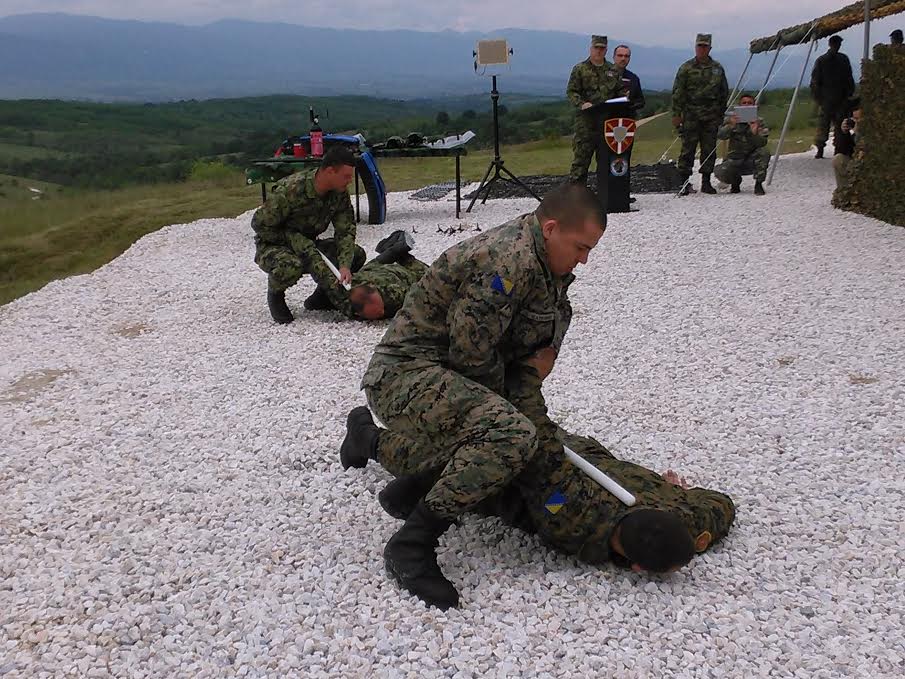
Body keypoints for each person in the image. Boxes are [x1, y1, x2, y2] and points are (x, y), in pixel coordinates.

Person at [342, 183, 606, 610]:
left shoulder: (545, 266)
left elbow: (524, 366)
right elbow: (475, 363)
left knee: (518, 434)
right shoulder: (506, 263)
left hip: (447, 375)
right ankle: (411, 546)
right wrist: (525, 435)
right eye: (580, 247)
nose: (584, 260)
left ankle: (412, 486)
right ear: (552, 228)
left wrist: (539, 434)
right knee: (508, 436)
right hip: (403, 374)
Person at [251, 146, 366, 324]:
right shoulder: (291, 190)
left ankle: (321, 297)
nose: (349, 181)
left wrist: (344, 266)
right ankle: (275, 294)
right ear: (329, 171)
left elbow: (345, 230)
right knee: (290, 266)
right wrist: (293, 240)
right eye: (346, 176)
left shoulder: (339, 194)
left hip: (310, 246)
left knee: (356, 254)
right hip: (275, 245)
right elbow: (260, 225)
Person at [317, 230, 430, 321]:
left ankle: (396, 250)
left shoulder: (396, 293)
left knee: (429, 275)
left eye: (380, 309)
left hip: (395, 274)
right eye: (379, 312)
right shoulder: (348, 300)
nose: (382, 312)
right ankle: (394, 250)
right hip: (372, 273)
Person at [671, 33, 730, 196]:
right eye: (699, 46)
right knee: (687, 150)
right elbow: (677, 93)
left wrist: (720, 114)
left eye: (705, 46)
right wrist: (677, 115)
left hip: (711, 116)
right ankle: (683, 182)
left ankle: (706, 182)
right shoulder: (686, 68)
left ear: (710, 48)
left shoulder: (717, 69)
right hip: (691, 115)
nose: (702, 49)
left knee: (709, 149)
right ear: (695, 47)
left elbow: (723, 93)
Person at [566, 35, 624, 185]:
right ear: (591, 48)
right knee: (581, 159)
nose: (599, 51)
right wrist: (581, 103)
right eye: (596, 48)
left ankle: (606, 196)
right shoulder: (580, 69)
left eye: (602, 48)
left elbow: (620, 92)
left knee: (606, 160)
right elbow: (572, 92)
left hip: (607, 122)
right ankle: (576, 194)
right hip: (586, 121)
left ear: (606, 50)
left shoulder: (613, 70)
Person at [714, 93, 771, 195]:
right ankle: (735, 182)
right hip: (735, 158)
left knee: (764, 152)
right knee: (720, 171)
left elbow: (763, 142)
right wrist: (731, 126)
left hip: (751, 159)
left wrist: (753, 132)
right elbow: (720, 136)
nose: (746, 105)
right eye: (744, 103)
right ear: (739, 106)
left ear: (754, 106)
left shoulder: (759, 122)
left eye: (749, 103)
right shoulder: (731, 120)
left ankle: (758, 184)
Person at [810, 35, 855, 159]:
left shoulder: (842, 59)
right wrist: (819, 99)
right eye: (836, 44)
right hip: (828, 100)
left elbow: (849, 79)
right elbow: (815, 82)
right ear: (831, 44)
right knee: (824, 126)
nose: (837, 46)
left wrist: (848, 95)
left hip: (838, 100)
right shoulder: (823, 60)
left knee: (839, 127)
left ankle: (837, 149)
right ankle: (821, 149)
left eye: (838, 44)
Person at [832, 97, 862, 189]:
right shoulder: (853, 131)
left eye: (859, 119)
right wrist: (844, 133)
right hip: (855, 162)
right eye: (855, 119)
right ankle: (844, 194)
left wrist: (859, 133)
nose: (856, 122)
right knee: (838, 159)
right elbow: (839, 150)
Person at [613, 44, 646, 116]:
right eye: (620, 55)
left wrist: (629, 103)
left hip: (627, 119)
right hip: (606, 120)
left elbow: (641, 101)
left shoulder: (633, 78)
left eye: (626, 56)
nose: (623, 59)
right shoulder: (604, 75)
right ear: (614, 57)